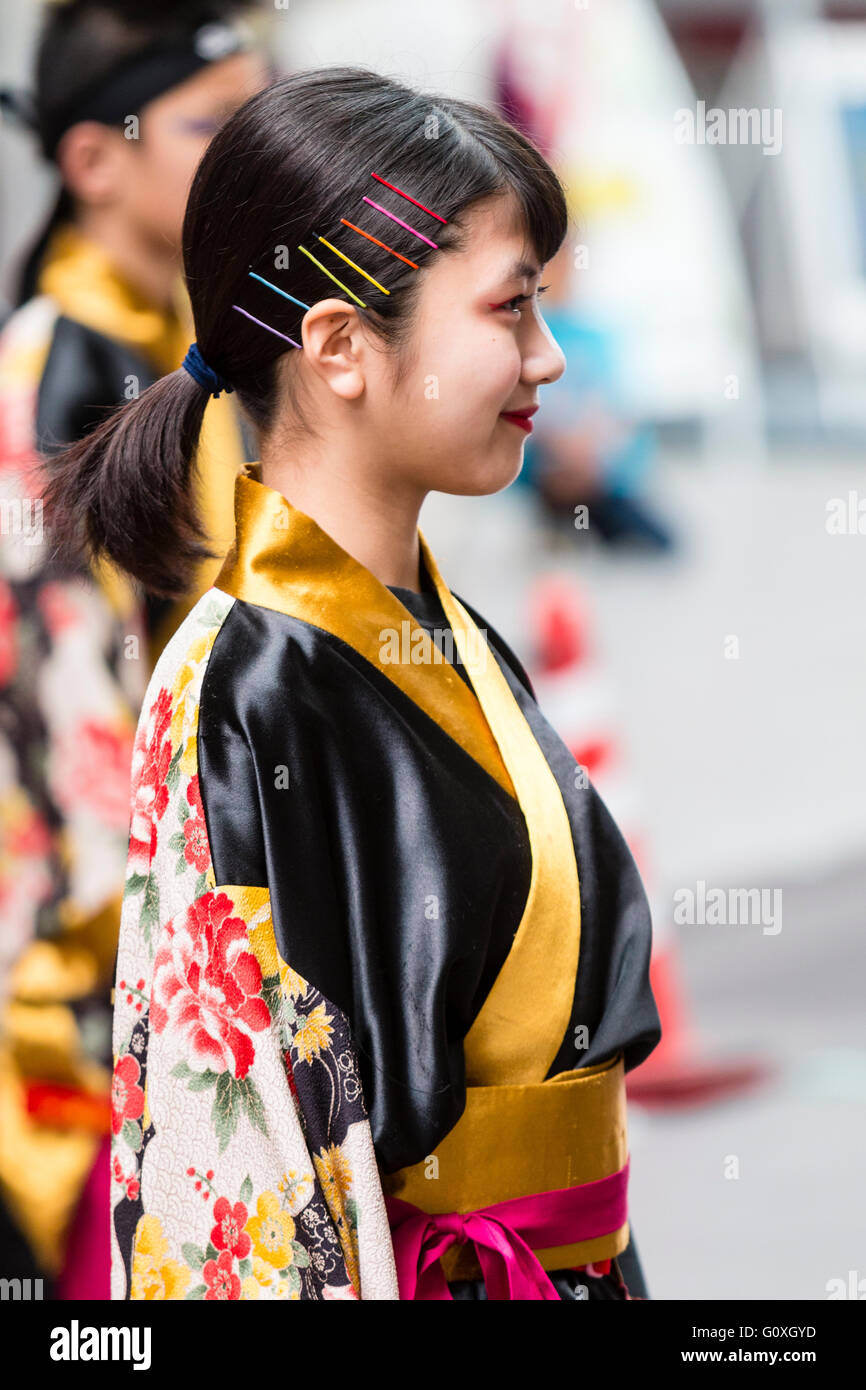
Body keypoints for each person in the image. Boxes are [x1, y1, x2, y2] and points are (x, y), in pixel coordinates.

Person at [45, 66, 662, 1301]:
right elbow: (249, 1190)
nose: (546, 358)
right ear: (337, 345)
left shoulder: (438, 631)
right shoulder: (243, 684)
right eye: (509, 309)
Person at [0, 0, 272, 1295]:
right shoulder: (45, 379)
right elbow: (81, 751)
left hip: (191, 948)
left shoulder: (197, 358)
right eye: (209, 121)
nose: (243, 151)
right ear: (92, 161)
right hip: (81, 986)